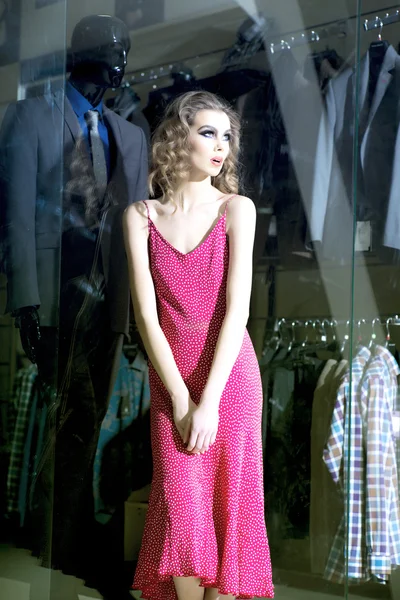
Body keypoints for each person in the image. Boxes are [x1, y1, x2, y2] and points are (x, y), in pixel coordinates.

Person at [123, 90, 274, 600]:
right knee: (182, 518)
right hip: (172, 384)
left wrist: (207, 402)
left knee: (231, 520)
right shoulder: (139, 216)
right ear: (176, 137)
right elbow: (147, 317)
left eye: (226, 136)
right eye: (207, 132)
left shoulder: (238, 210)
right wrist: (183, 400)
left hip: (230, 384)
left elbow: (238, 312)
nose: (220, 146)